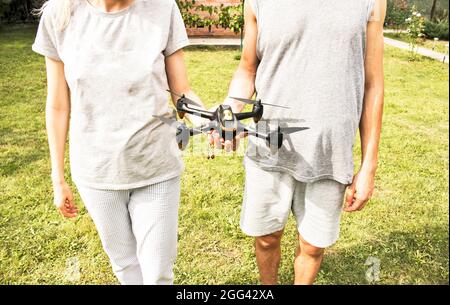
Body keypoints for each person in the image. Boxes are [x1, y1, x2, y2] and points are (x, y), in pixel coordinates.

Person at [32, 0, 206, 285]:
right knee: (125, 266)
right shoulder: (59, 15)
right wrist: (57, 178)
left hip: (156, 166)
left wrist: (207, 122)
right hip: (96, 171)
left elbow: (182, 91)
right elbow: (58, 106)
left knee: (158, 274)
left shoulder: (162, 8)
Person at [214, 0, 386, 284]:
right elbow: (247, 70)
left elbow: (373, 84)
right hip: (269, 146)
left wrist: (369, 167)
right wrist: (229, 112)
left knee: (313, 245)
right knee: (267, 238)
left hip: (330, 153)